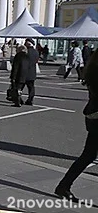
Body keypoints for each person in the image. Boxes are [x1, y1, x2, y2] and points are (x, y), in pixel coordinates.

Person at [55, 49, 98, 202]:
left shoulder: (93, 69)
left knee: (88, 155)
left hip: (94, 119)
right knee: (88, 155)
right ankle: (64, 186)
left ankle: (64, 186)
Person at [22, 38, 39, 105]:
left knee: (20, 87)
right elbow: (36, 61)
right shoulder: (36, 52)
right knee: (31, 88)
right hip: (32, 73)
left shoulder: (25, 52)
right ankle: (30, 99)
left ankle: (18, 100)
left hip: (24, 72)